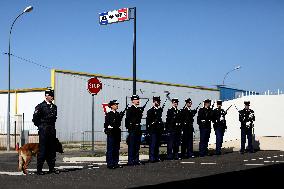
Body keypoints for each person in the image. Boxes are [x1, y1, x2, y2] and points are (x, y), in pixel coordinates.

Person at [32, 89, 58, 175]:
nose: (52, 97)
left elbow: (54, 119)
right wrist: (41, 126)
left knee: (52, 150)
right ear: (46, 96)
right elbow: (35, 119)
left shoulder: (54, 107)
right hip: (43, 130)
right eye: (50, 95)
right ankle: (39, 170)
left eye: (53, 96)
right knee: (43, 150)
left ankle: (52, 168)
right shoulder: (40, 106)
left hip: (52, 130)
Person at [125, 95, 148, 166]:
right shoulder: (130, 109)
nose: (138, 101)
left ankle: (136, 160)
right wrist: (130, 129)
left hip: (138, 129)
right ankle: (130, 161)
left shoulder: (139, 109)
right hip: (133, 129)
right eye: (136, 100)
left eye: (138, 99)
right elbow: (127, 120)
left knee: (137, 146)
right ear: (132, 101)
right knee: (132, 145)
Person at [104, 100, 125, 169]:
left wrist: (121, 116)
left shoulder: (118, 114)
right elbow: (106, 124)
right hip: (111, 132)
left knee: (116, 148)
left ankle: (116, 163)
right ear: (112, 106)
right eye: (115, 104)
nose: (117, 106)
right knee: (110, 149)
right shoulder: (109, 114)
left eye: (117, 104)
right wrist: (107, 131)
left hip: (117, 132)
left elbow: (118, 123)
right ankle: (110, 163)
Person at [146, 96, 164, 163]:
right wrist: (149, 130)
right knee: (152, 144)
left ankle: (157, 157)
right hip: (153, 130)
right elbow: (148, 122)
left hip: (158, 130)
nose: (158, 102)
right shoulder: (150, 111)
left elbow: (160, 120)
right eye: (157, 101)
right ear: (154, 102)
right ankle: (152, 158)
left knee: (157, 144)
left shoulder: (159, 110)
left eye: (159, 101)